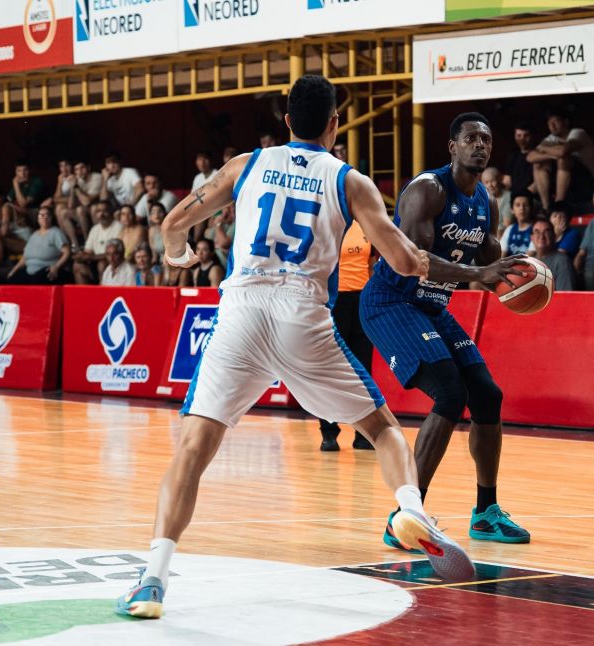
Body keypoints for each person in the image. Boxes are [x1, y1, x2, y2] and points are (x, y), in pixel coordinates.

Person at [115, 74, 473, 619]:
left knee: (192, 449)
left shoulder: (246, 164)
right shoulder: (350, 181)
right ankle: (412, 510)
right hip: (302, 315)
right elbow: (404, 262)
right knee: (382, 430)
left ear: (286, 122)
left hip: (241, 312)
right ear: (334, 125)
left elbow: (173, 222)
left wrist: (177, 251)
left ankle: (152, 581)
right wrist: (450, 267)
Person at [360, 111, 531, 553]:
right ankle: (407, 517)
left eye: (486, 140)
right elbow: (414, 261)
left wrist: (522, 277)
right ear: (452, 147)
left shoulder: (486, 201)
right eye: (471, 139)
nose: (480, 146)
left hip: (432, 307)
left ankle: (486, 513)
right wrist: (479, 273)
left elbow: (491, 262)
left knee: (487, 395)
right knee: (450, 394)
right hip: (391, 302)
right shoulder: (428, 190)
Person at [319, 220, 378, 452]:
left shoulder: (365, 224)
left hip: (361, 302)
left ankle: (363, 434)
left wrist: (370, 299)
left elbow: (371, 265)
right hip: (335, 302)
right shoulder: (328, 222)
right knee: (330, 369)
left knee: (362, 370)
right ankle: (328, 432)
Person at [528, 109, 594, 212]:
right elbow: (530, 157)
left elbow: (563, 151)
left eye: (555, 122)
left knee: (564, 159)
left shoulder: (578, 133)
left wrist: (543, 148)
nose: (552, 126)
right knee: (539, 163)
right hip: (569, 186)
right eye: (549, 123)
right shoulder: (551, 138)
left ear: (566, 122)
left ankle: (559, 204)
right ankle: (547, 208)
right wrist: (550, 156)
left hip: (590, 185)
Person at [7, 206, 71, 284]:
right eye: (41, 215)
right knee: (12, 279)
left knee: (37, 279)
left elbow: (67, 252)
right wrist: (13, 271)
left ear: (51, 218)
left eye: (47, 215)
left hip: (46, 270)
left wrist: (56, 266)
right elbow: (25, 258)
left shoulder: (56, 232)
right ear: (38, 219)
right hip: (29, 271)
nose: (44, 217)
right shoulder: (34, 235)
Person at [73, 201, 123, 284]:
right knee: (77, 266)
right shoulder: (95, 229)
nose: (101, 214)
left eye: (105, 211)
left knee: (101, 264)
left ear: (111, 212)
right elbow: (88, 251)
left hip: (111, 263)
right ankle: (84, 292)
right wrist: (81, 255)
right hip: (95, 262)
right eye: (99, 211)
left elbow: (115, 253)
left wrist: (92, 257)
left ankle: (101, 290)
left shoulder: (118, 227)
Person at [531, 219, 575, 290]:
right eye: (537, 232)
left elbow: (564, 295)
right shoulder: (529, 262)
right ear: (532, 238)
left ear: (554, 237)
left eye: (546, 232)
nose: (542, 236)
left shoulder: (562, 261)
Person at [503, 121, 536, 197]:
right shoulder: (513, 154)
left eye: (526, 135)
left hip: (531, 196)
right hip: (514, 196)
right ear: (515, 136)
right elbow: (507, 181)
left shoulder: (538, 155)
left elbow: (537, 183)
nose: (522, 139)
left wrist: (524, 195)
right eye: (519, 135)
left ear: (532, 136)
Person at [500, 191, 536, 256]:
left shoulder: (536, 229)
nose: (522, 208)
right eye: (517, 205)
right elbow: (501, 255)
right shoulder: (509, 229)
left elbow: (530, 256)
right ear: (512, 210)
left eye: (526, 205)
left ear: (531, 208)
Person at [482, 166, 512, 236]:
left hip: (501, 234)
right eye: (486, 182)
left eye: (492, 181)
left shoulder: (508, 197)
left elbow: (506, 224)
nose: (490, 185)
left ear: (499, 180)